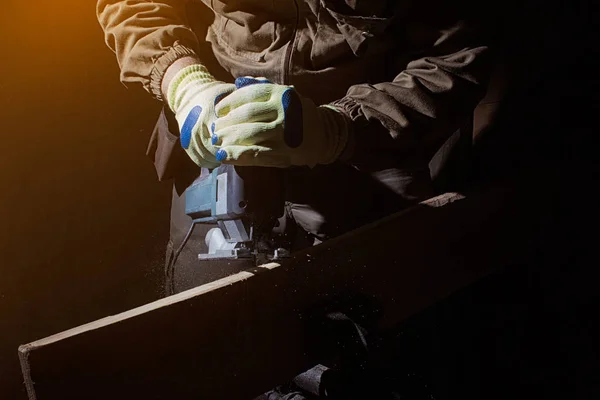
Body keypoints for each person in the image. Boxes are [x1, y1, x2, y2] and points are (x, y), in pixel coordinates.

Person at [97, 0, 492, 296]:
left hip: (366, 159)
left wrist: (338, 127)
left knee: (364, 342)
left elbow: (461, 54)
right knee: (204, 335)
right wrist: (183, 81)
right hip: (219, 142)